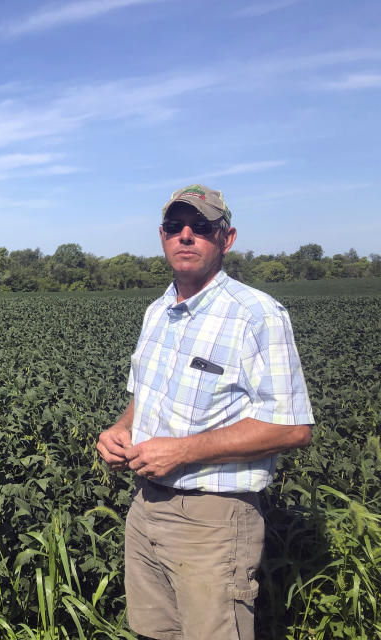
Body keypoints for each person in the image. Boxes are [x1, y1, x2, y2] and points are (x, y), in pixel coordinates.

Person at [96, 184, 314, 640]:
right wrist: (120, 429)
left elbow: (292, 428)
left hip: (213, 521)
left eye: (201, 228)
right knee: (152, 633)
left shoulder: (257, 315)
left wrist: (183, 452)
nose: (187, 236)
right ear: (162, 236)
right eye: (176, 227)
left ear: (226, 238)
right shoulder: (157, 311)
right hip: (145, 506)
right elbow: (144, 396)